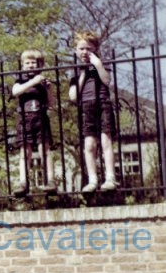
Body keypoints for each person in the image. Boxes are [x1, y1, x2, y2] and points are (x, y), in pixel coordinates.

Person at [68, 31, 117, 192]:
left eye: (88, 48)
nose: (84, 52)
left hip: (103, 103)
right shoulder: (76, 70)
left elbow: (107, 81)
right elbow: (73, 96)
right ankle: (92, 180)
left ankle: (110, 178)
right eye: (81, 48)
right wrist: (82, 74)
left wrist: (97, 65)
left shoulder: (101, 63)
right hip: (86, 106)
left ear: (95, 49)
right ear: (76, 50)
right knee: (89, 144)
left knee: (105, 141)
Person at [11, 49, 57, 196]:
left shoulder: (42, 82)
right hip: (25, 119)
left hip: (40, 118)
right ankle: (23, 183)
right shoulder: (20, 79)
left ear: (40, 65)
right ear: (23, 65)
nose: (31, 65)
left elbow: (51, 103)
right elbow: (15, 91)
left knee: (45, 150)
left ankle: (50, 181)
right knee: (25, 152)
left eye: (34, 63)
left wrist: (49, 89)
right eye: (28, 63)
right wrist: (32, 82)